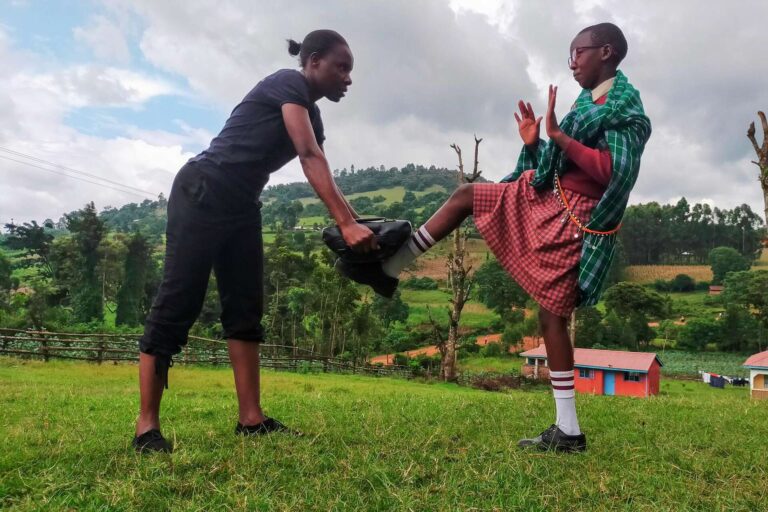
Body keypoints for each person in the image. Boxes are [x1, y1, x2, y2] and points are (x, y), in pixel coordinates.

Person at [341, 22, 651, 452]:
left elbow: (612, 172)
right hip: (552, 200)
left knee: (551, 316)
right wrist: (537, 142)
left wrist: (559, 137)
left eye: (578, 52)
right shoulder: (586, 103)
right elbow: (562, 165)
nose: (573, 62)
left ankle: (569, 432)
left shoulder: (625, 107)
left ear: (607, 52)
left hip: (577, 218)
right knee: (468, 196)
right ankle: (389, 268)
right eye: (571, 55)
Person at [133, 29, 378, 453]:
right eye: (342, 67)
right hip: (202, 191)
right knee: (178, 302)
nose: (348, 78)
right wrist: (345, 223)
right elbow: (307, 156)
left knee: (245, 306)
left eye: (350, 71)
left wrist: (361, 225)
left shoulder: (313, 116)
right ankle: (146, 426)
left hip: (242, 206)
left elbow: (323, 170)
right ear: (314, 60)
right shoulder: (288, 82)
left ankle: (252, 419)